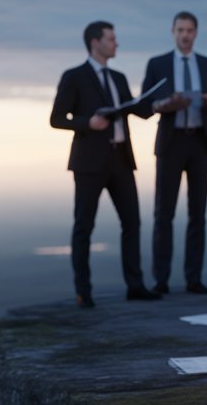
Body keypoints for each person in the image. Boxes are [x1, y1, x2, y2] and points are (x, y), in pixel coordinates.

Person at [50, 21, 156, 307]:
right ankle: (83, 292)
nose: (116, 43)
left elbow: (134, 109)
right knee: (84, 226)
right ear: (95, 42)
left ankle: (135, 285)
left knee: (132, 222)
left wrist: (158, 104)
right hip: (89, 163)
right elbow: (57, 119)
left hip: (121, 159)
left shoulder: (119, 78)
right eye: (111, 38)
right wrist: (88, 123)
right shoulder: (74, 76)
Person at [141, 11, 207, 295]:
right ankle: (161, 280)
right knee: (163, 213)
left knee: (197, 214)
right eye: (180, 30)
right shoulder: (158, 64)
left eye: (189, 30)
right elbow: (145, 104)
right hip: (171, 142)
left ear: (196, 33)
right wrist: (164, 104)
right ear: (172, 31)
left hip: (200, 143)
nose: (185, 35)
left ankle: (193, 279)